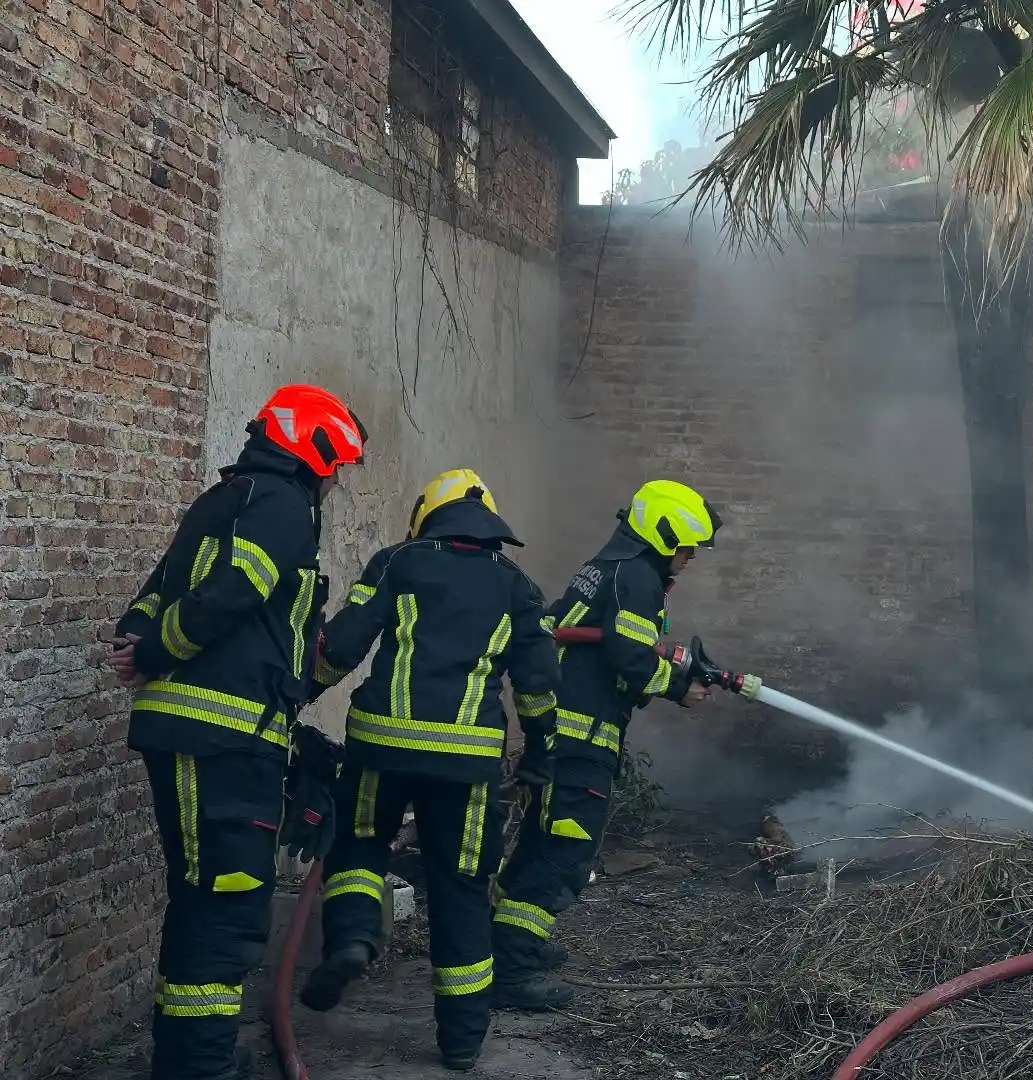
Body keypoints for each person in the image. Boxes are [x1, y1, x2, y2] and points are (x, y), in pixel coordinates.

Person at [106, 384, 367, 1080]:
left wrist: (140, 640)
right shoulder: (282, 505)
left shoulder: (223, 500)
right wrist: (156, 649)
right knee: (225, 908)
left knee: (202, 900)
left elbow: (155, 595)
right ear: (310, 450)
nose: (334, 481)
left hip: (210, 738)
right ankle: (201, 1069)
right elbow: (233, 593)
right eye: (333, 466)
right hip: (220, 741)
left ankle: (189, 1059)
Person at [298, 468, 560, 1073]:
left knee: (360, 847)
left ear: (427, 518)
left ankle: (355, 939)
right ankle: (463, 1040)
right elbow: (541, 688)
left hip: (380, 745)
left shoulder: (398, 562)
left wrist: (296, 694)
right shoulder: (518, 588)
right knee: (461, 888)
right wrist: (543, 750)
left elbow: (343, 645)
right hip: (465, 764)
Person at [490, 479, 721, 1011]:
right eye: (686, 548)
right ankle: (511, 970)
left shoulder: (608, 569)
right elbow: (631, 659)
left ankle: (506, 941)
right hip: (581, 742)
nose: (688, 560)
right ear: (664, 537)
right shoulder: (637, 577)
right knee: (565, 856)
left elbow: (615, 645)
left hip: (562, 736)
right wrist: (680, 687)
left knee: (539, 843)